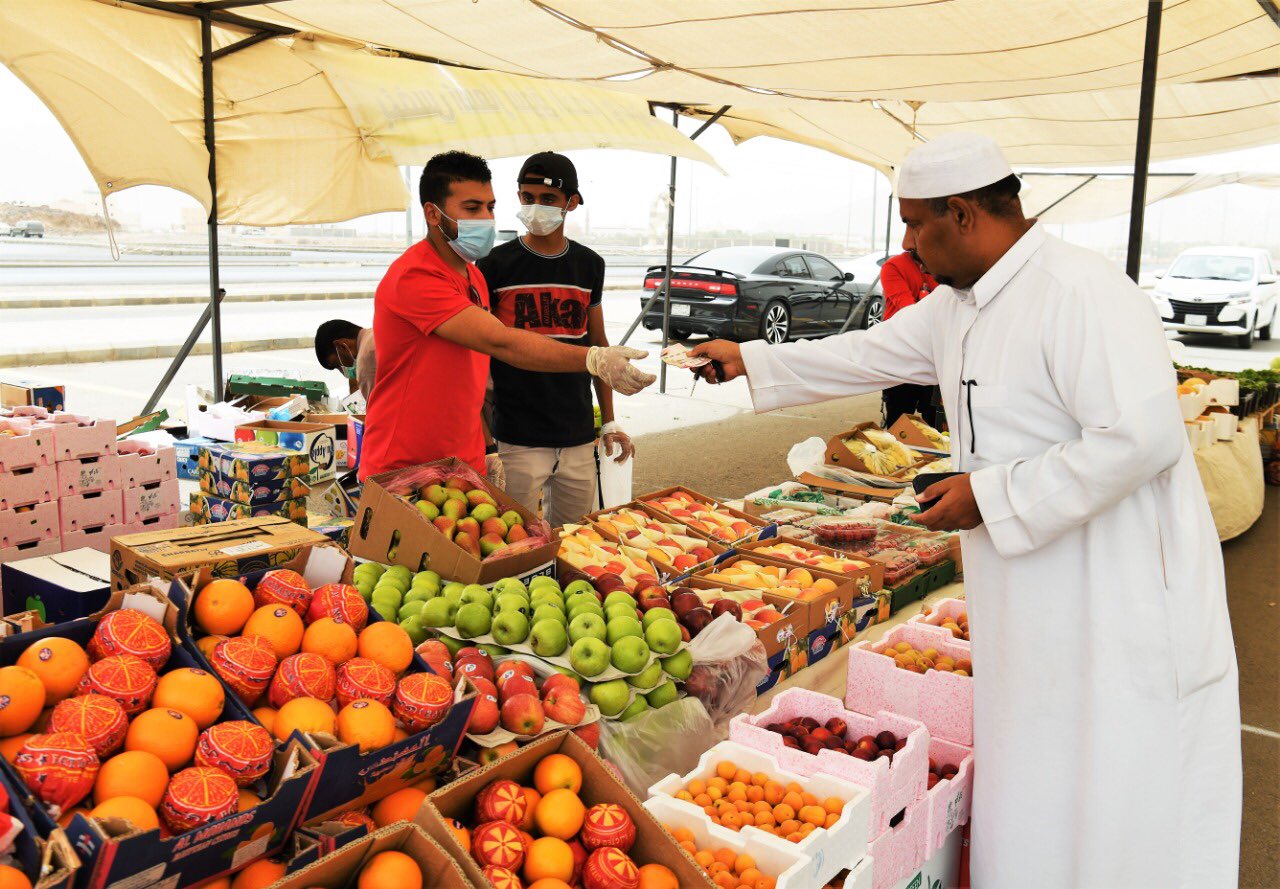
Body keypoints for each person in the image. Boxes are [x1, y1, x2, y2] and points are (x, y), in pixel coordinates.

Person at [689, 133, 1240, 888]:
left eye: (918, 224)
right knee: (1037, 760)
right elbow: (867, 353)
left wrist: (990, 492)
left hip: (1119, 595)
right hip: (1030, 588)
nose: (910, 245)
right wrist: (749, 358)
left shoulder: (1083, 291)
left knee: (1117, 773)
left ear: (965, 212)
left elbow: (1142, 438)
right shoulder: (960, 305)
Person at [358, 151, 654, 485]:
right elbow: (501, 342)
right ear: (432, 213)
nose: (485, 218)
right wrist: (594, 358)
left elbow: (472, 376)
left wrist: (485, 448)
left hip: (462, 461)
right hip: (406, 463)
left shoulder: (475, 278)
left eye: (490, 207)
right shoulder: (415, 277)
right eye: (472, 208)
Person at [477, 152, 634, 526]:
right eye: (527, 198)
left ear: (572, 202)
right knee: (513, 540)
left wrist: (609, 422)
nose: (536, 208)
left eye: (547, 200)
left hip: (578, 433)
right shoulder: (494, 265)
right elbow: (479, 357)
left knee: (575, 538)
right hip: (516, 437)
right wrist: (484, 443)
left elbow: (598, 345)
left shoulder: (589, 265)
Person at [878, 249, 939, 427]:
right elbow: (908, 310)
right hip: (901, 355)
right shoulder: (894, 267)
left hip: (933, 357)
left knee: (935, 420)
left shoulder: (944, 267)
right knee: (899, 420)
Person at [314, 319, 376, 400]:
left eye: (337, 364)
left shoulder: (365, 358)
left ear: (341, 346)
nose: (343, 373)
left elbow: (375, 406)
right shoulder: (374, 334)